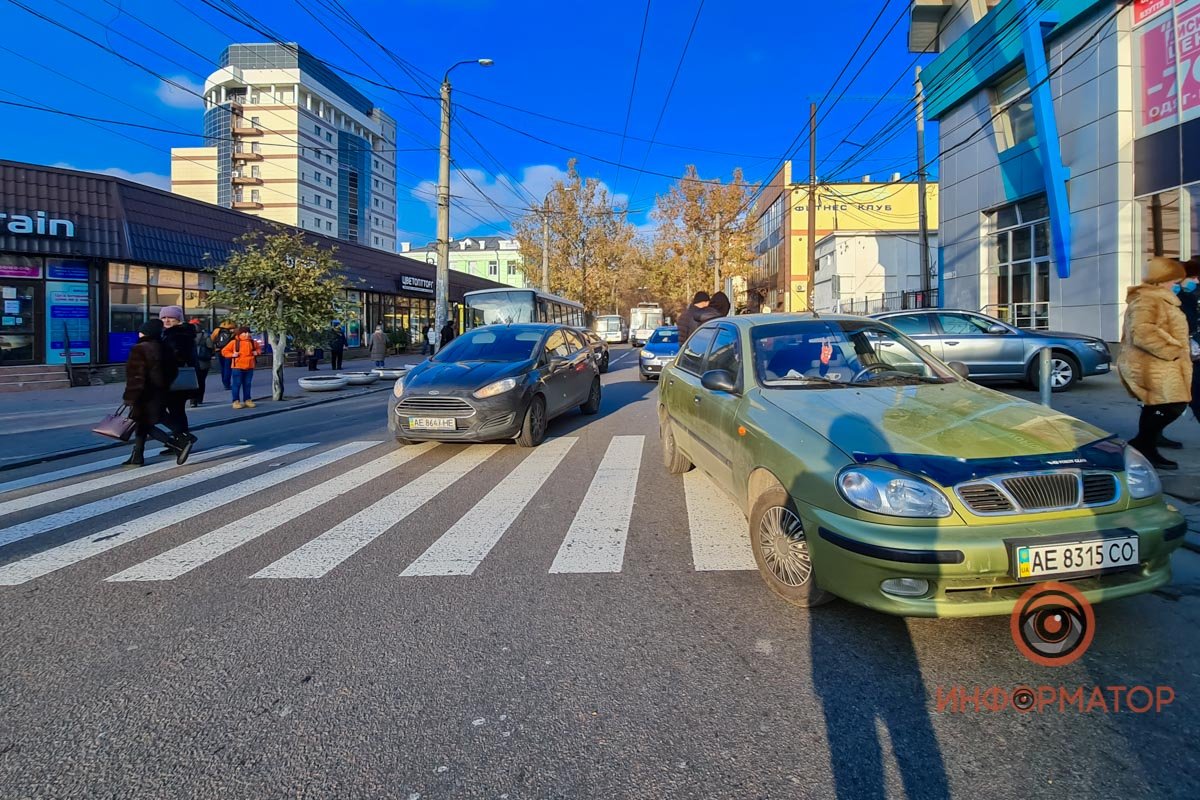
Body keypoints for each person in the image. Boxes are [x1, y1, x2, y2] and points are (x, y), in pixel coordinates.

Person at [1117, 256, 1193, 470]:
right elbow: (1142, 331)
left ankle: (1145, 444)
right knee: (1174, 405)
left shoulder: (1160, 298)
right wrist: (1172, 350)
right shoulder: (1148, 299)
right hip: (1154, 364)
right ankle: (1144, 445)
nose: (1176, 285)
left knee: (1156, 406)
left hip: (1162, 363)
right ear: (1160, 280)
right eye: (1173, 281)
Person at [122, 319, 190, 467]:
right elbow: (174, 370)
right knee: (151, 421)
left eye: (141, 330)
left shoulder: (140, 348)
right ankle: (137, 455)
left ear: (145, 333)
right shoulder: (164, 347)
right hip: (160, 392)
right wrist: (164, 384)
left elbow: (136, 377)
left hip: (144, 393)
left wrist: (130, 397)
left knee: (142, 423)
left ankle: (179, 443)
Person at [159, 306, 198, 453]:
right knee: (177, 412)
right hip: (176, 379)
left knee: (172, 411)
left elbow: (179, 357)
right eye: (164, 318)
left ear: (178, 320)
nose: (166, 320)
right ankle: (179, 441)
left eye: (170, 318)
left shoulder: (178, 335)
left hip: (175, 378)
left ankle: (183, 439)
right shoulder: (171, 333)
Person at [222, 326, 261, 409]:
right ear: (240, 334)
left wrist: (257, 352)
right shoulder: (234, 342)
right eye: (245, 333)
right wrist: (232, 355)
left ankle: (247, 400)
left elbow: (258, 349)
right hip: (237, 366)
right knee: (237, 384)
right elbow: (224, 351)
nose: (247, 334)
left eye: (248, 332)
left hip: (249, 366)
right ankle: (235, 401)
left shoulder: (253, 342)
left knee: (247, 384)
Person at [192, 319, 213, 408]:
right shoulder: (205, 336)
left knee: (193, 382)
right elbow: (210, 346)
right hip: (203, 362)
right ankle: (199, 399)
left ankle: (193, 401)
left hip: (192, 362)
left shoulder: (188, 336)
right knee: (201, 381)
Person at [211, 320, 237, 391]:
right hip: (229, 351)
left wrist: (215, 348)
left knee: (222, 367)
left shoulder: (217, 330)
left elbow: (212, 339)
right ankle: (227, 384)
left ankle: (224, 382)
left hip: (219, 350)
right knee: (228, 367)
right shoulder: (234, 331)